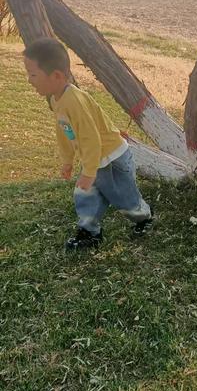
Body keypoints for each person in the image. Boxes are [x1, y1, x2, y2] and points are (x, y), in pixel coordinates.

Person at [23, 37, 154, 250]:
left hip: (112, 157)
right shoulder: (56, 99)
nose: (29, 80)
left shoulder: (74, 101)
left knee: (124, 198)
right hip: (94, 161)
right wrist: (68, 161)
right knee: (85, 194)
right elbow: (64, 132)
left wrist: (89, 171)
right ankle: (90, 232)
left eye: (33, 74)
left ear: (56, 76)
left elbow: (91, 137)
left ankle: (144, 217)